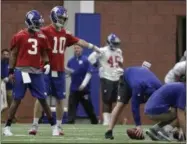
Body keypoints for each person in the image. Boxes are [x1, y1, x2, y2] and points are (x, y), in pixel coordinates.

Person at [29, 6, 100, 135]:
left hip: (60, 71)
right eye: (60, 17)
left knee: (60, 99)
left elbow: (79, 41)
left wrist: (93, 46)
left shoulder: (65, 33)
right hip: (45, 70)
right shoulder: (44, 31)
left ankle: (59, 126)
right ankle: (35, 125)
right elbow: (33, 43)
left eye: (63, 18)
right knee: (40, 98)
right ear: (54, 16)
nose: (62, 20)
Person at [3, 10, 59, 136]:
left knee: (43, 99)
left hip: (36, 72)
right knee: (17, 99)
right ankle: (7, 127)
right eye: (36, 23)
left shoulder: (42, 37)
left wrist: (47, 63)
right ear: (29, 23)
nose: (39, 25)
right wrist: (11, 71)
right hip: (21, 71)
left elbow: (44, 53)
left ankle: (54, 126)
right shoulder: (19, 36)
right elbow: (14, 54)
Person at [104, 62, 162, 139]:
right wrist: (138, 125)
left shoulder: (160, 87)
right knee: (120, 105)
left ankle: (159, 130)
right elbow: (135, 107)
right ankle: (109, 131)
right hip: (126, 79)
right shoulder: (137, 87)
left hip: (140, 78)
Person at [88, 33, 123, 125]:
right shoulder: (102, 50)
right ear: (109, 43)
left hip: (116, 77)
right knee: (107, 100)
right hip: (106, 77)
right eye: (114, 43)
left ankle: (111, 119)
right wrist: (96, 64)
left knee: (115, 100)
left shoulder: (119, 51)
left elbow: (120, 63)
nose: (116, 45)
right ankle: (106, 121)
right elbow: (90, 58)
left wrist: (121, 69)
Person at [66, 45, 98, 124]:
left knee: (88, 108)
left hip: (84, 89)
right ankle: (70, 121)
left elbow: (89, 72)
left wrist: (83, 85)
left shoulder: (86, 60)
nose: (77, 50)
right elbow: (68, 74)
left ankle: (95, 121)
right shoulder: (70, 61)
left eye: (78, 48)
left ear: (82, 49)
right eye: (75, 48)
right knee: (71, 106)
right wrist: (67, 72)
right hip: (74, 88)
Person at [1, 49, 15, 122]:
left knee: (12, 103)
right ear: (2, 55)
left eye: (7, 54)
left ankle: (12, 119)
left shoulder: (10, 64)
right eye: (4, 54)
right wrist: (5, 78)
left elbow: (13, 74)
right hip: (2, 88)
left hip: (10, 88)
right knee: (2, 103)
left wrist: (11, 77)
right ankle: (2, 119)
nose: (6, 56)